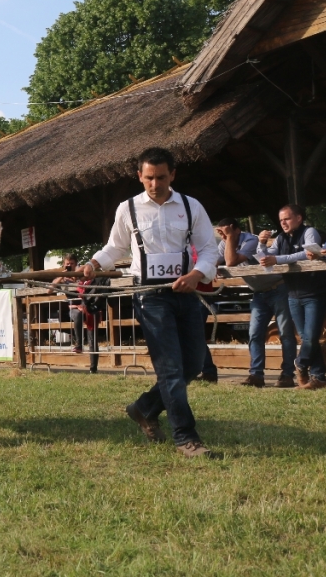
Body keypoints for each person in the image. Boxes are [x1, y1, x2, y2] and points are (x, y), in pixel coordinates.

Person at [81, 147, 218, 458]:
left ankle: (144, 408)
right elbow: (114, 247)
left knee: (193, 364)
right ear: (139, 177)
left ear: (173, 175)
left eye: (161, 177)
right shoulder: (127, 209)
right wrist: (93, 262)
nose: (155, 184)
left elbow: (210, 249)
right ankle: (186, 437)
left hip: (187, 293)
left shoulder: (190, 206)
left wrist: (196, 275)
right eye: (148, 178)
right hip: (150, 297)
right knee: (170, 368)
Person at [215, 217, 297, 388]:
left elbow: (230, 261)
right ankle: (256, 375)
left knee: (286, 333)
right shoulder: (225, 243)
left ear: (235, 229)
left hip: (278, 289)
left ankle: (287, 374)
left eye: (225, 231)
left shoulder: (250, 240)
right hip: (259, 294)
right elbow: (215, 261)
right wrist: (213, 266)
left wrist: (230, 237)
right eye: (221, 233)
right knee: (254, 333)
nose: (223, 236)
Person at [258, 205, 326, 390]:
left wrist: (278, 260)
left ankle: (300, 362)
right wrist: (261, 244)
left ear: (299, 218)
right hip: (293, 294)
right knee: (307, 338)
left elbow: (309, 255)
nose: (283, 223)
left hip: (315, 293)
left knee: (310, 338)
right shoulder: (281, 238)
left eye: (287, 218)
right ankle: (319, 378)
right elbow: (267, 257)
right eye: (281, 220)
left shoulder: (310, 232)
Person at [51, 253, 84, 353]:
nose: (69, 266)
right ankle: (79, 344)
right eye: (67, 264)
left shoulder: (81, 276)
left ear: (76, 264)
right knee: (77, 314)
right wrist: (62, 275)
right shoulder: (62, 279)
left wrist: (76, 278)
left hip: (85, 305)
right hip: (71, 308)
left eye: (72, 264)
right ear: (63, 265)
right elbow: (50, 289)